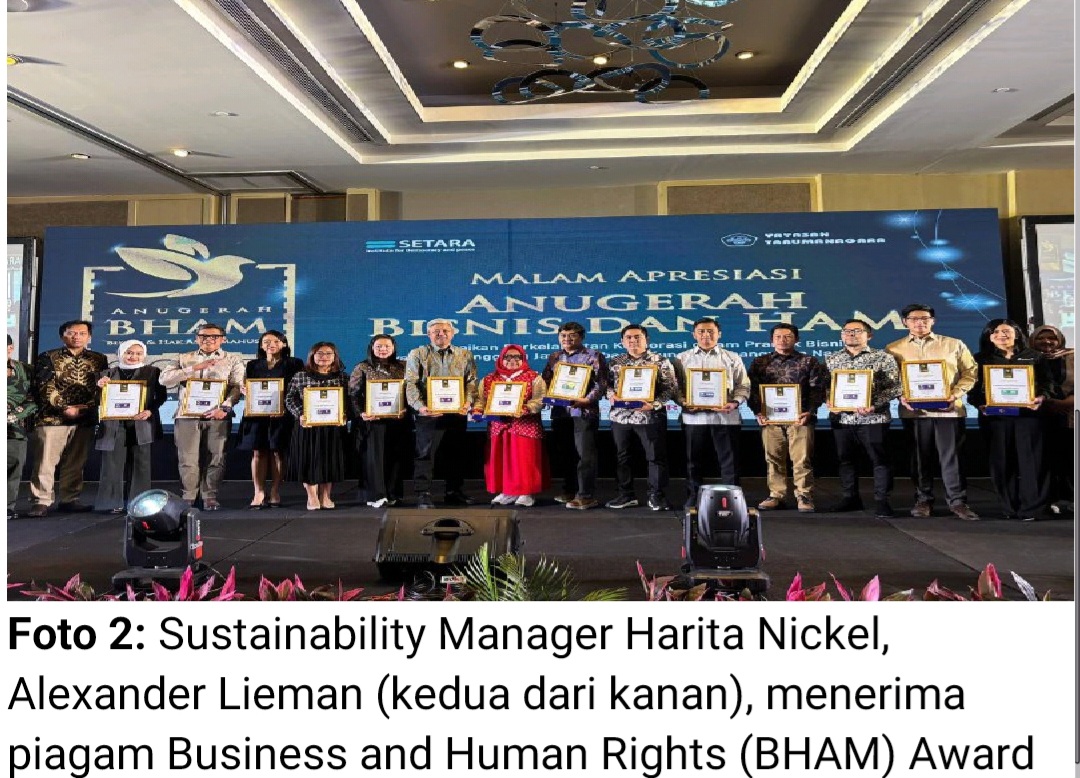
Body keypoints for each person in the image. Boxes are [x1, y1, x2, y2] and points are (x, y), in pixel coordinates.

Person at [885, 303, 980, 520]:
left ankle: (958, 502)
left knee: (952, 458)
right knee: (920, 459)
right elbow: (890, 380)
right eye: (914, 319)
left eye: (925, 318)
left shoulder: (954, 344)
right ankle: (923, 500)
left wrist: (955, 394)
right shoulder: (893, 348)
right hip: (914, 413)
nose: (920, 322)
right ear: (905, 322)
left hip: (949, 411)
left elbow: (970, 372)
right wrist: (901, 396)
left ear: (933, 321)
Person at [967, 320, 1050, 521]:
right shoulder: (980, 359)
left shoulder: (1035, 357)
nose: (1001, 335)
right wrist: (980, 404)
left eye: (1006, 331)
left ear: (1017, 333)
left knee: (1032, 462)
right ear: (989, 337)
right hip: (995, 418)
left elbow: (1049, 384)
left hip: (1028, 417)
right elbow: (973, 389)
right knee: (1001, 463)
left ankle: (1033, 508)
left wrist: (1042, 397)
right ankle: (1009, 508)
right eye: (995, 332)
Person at [159, 323, 245, 510]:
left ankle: (210, 496)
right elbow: (164, 380)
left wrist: (225, 407)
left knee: (216, 457)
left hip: (218, 415)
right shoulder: (183, 358)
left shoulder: (233, 359)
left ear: (223, 339)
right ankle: (189, 496)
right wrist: (194, 368)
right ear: (197, 338)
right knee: (187, 458)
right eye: (203, 336)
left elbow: (237, 387)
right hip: (186, 415)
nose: (209, 340)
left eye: (214, 337)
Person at [27, 319, 108, 517]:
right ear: (63, 336)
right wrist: (65, 407)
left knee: (76, 462)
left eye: (82, 333)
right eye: (72, 333)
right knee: (45, 462)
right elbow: (44, 386)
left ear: (89, 337)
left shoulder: (99, 359)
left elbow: (103, 387)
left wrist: (87, 407)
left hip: (85, 418)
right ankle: (41, 501)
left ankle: (70, 499)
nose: (77, 337)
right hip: (52, 418)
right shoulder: (48, 357)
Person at [823, 319, 903, 518]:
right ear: (842, 335)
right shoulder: (831, 359)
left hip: (874, 418)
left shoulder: (883, 357)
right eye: (847, 331)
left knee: (879, 460)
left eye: (857, 331)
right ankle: (850, 498)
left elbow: (895, 387)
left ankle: (882, 501)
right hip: (842, 419)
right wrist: (829, 400)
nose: (851, 334)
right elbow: (826, 387)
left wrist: (874, 404)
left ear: (869, 335)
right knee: (845, 460)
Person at [747, 323, 829, 513]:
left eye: (788, 336)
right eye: (778, 337)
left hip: (801, 418)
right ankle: (776, 495)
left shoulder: (809, 361)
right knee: (773, 458)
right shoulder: (760, 362)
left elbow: (818, 389)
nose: (782, 340)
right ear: (771, 340)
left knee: (802, 459)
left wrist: (810, 411)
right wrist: (757, 412)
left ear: (796, 339)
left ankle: (804, 495)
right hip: (770, 419)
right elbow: (752, 390)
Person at [675, 317, 750, 509]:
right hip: (693, 419)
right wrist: (683, 402)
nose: (706, 335)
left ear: (719, 334)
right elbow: (675, 388)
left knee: (729, 463)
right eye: (701, 331)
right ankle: (693, 497)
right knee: (693, 462)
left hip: (726, 418)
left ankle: (733, 500)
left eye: (710, 331)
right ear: (694, 334)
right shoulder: (681, 358)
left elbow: (743, 385)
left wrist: (735, 402)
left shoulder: (732, 357)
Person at [404, 319, 479, 509]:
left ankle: (453, 491)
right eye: (436, 331)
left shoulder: (465, 354)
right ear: (428, 335)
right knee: (425, 454)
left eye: (445, 330)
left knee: (456, 453)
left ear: (452, 333)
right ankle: (423, 493)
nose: (441, 334)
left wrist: (468, 402)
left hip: (456, 413)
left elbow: (471, 382)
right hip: (428, 413)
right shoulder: (417, 354)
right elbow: (411, 383)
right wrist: (420, 407)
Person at [606, 324, 679, 511]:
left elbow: (670, 388)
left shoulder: (660, 361)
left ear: (647, 340)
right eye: (628, 337)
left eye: (637, 337)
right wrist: (611, 395)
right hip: (620, 417)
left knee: (655, 457)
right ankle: (626, 495)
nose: (633, 340)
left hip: (650, 417)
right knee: (622, 457)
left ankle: (656, 496)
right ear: (622, 341)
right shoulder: (615, 362)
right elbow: (607, 385)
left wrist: (653, 405)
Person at [92, 340, 167, 513]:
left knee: (141, 464)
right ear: (121, 353)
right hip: (113, 424)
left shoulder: (153, 372)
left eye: (138, 353)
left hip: (142, 422)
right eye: (129, 352)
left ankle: (140, 504)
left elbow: (161, 396)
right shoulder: (106, 374)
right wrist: (99, 387)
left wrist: (150, 411)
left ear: (144, 355)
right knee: (112, 464)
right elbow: (96, 400)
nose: (133, 356)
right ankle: (111, 503)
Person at [540, 322, 608, 510]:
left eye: (572, 335)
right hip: (560, 412)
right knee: (566, 454)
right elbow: (546, 381)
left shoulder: (594, 356)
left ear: (581, 337)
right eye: (563, 335)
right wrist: (544, 397)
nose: (567, 339)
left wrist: (586, 400)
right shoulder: (555, 357)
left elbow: (601, 384)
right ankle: (569, 490)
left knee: (585, 455)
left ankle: (586, 495)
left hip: (584, 411)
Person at [472, 345, 549, 507]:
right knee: (502, 460)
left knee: (524, 460)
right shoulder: (489, 379)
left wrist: (525, 408)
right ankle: (507, 491)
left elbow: (540, 399)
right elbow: (480, 400)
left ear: (523, 359)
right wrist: (477, 411)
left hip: (525, 426)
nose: (512, 360)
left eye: (517, 357)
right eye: (507, 357)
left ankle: (526, 493)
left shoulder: (534, 377)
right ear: (501, 359)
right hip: (498, 426)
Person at [236, 330, 304, 509]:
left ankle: (275, 490)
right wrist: (245, 390)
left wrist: (284, 408)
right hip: (257, 414)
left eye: (276, 341)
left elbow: (298, 389)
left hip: (282, 414)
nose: (271, 344)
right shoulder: (252, 365)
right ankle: (258, 492)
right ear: (261, 345)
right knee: (258, 452)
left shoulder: (294, 363)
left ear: (284, 344)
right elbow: (247, 385)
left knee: (278, 452)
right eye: (266, 341)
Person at [286, 342, 350, 511]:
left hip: (332, 427)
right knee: (309, 461)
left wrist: (345, 414)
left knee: (329, 461)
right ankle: (312, 496)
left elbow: (349, 400)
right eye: (319, 353)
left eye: (329, 353)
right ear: (312, 356)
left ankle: (326, 496)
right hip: (307, 426)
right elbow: (290, 398)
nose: (324, 357)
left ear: (335, 357)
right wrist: (301, 414)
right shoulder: (300, 375)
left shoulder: (343, 377)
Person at [349, 334, 410, 509]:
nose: (383, 349)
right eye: (379, 346)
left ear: (393, 348)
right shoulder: (362, 367)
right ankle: (375, 495)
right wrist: (361, 413)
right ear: (372, 348)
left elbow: (411, 391)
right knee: (374, 459)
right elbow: (353, 394)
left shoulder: (404, 366)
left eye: (387, 346)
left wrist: (407, 409)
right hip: (372, 421)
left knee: (395, 458)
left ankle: (393, 494)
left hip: (398, 420)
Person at [1030, 324, 1074, 514]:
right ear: (1032, 340)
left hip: (1068, 414)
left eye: (1052, 338)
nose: (1046, 341)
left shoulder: (1073, 356)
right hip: (1037, 416)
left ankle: (1073, 499)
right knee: (1044, 460)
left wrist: (1067, 402)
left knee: (1070, 458)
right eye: (1040, 338)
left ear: (1060, 339)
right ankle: (1047, 500)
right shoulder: (1027, 358)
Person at [7, 334, 37, 519]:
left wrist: (13, 415)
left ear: (10, 348)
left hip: (14, 428)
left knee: (13, 467)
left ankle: (7, 506)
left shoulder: (26, 370)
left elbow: (35, 398)